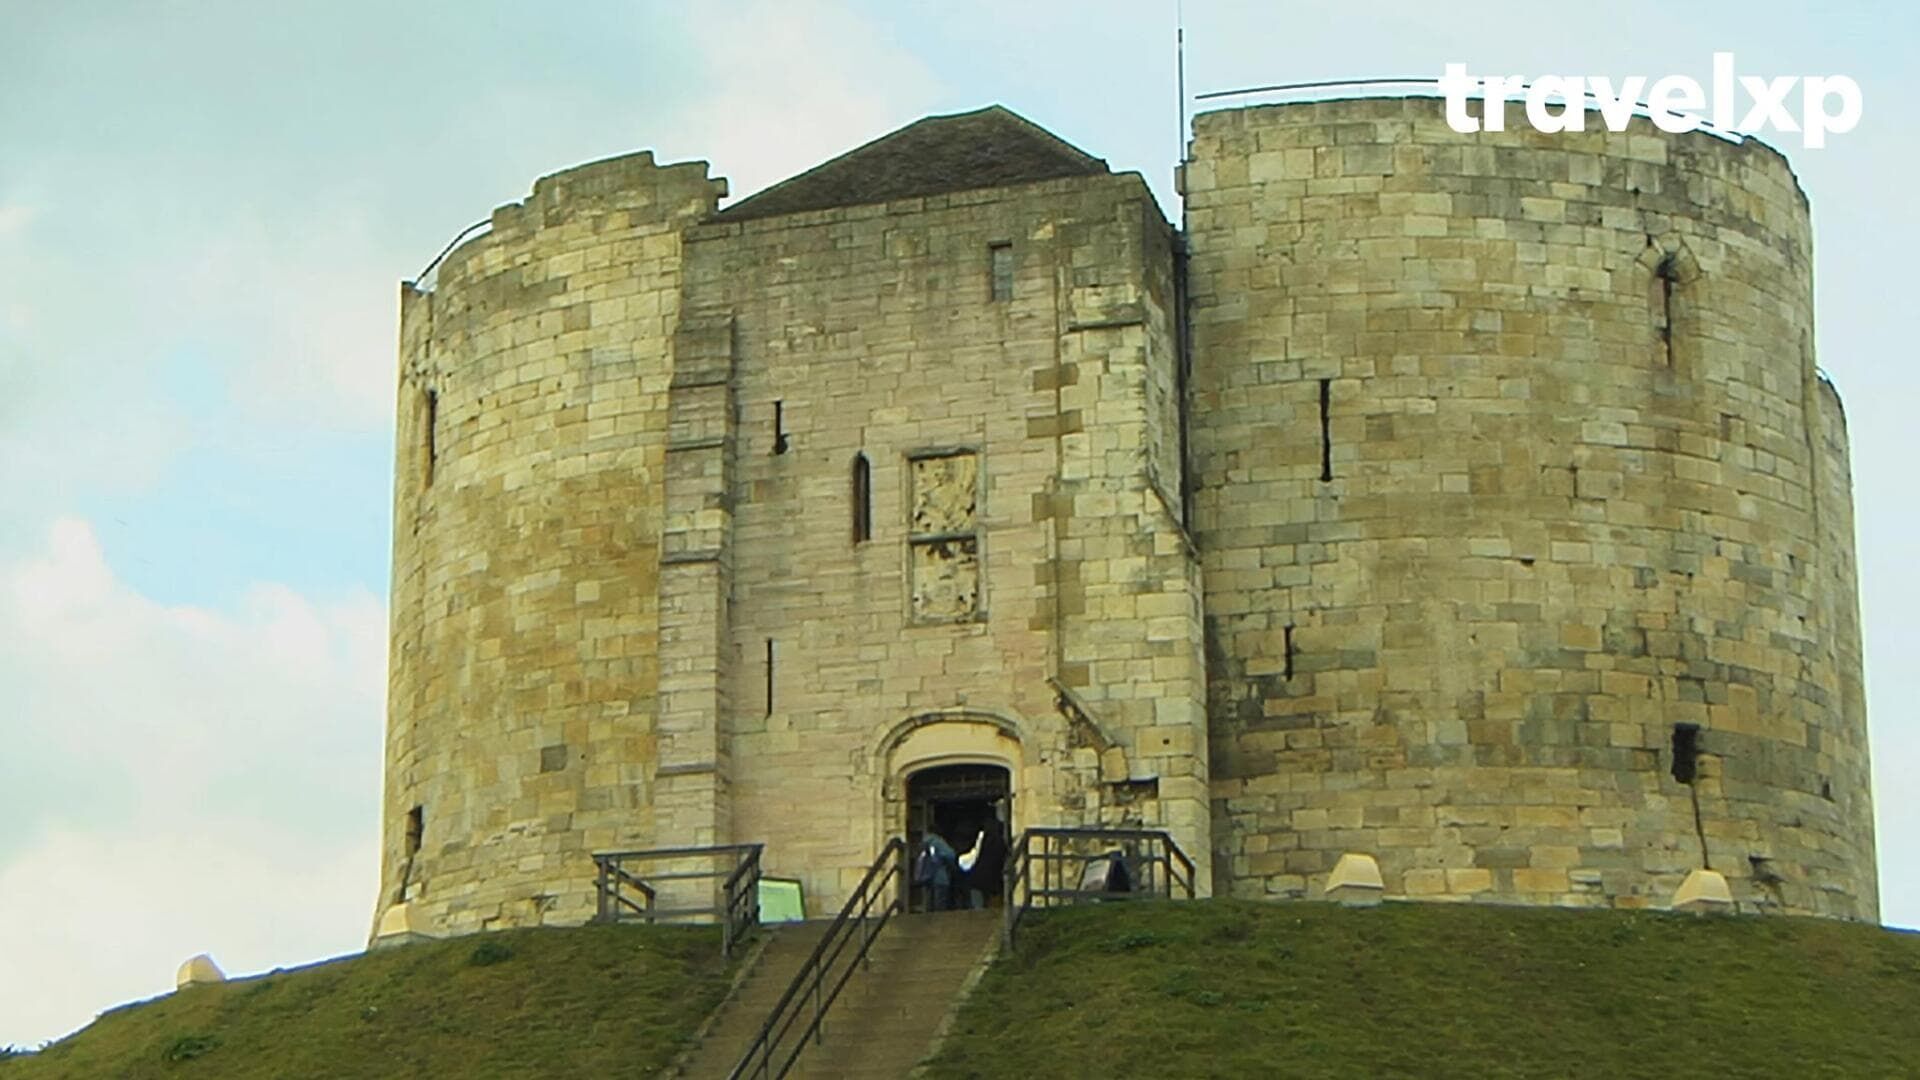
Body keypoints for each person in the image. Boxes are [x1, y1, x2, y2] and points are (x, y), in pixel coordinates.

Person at [959, 801, 1011, 909]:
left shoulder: (984, 838)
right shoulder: (997, 838)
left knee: (978, 901)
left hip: (979, 876)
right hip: (991, 876)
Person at [913, 832, 960, 911]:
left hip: (927, 877)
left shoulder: (923, 845)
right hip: (940, 877)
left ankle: (928, 920)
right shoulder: (938, 842)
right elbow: (951, 855)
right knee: (940, 904)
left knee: (929, 903)